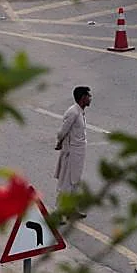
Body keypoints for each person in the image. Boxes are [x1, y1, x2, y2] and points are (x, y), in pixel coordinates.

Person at [54, 86, 91, 216]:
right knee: (66, 183)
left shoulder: (80, 111)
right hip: (71, 153)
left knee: (76, 182)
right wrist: (60, 143)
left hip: (79, 153)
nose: (90, 98)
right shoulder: (73, 112)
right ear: (82, 98)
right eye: (88, 96)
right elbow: (62, 132)